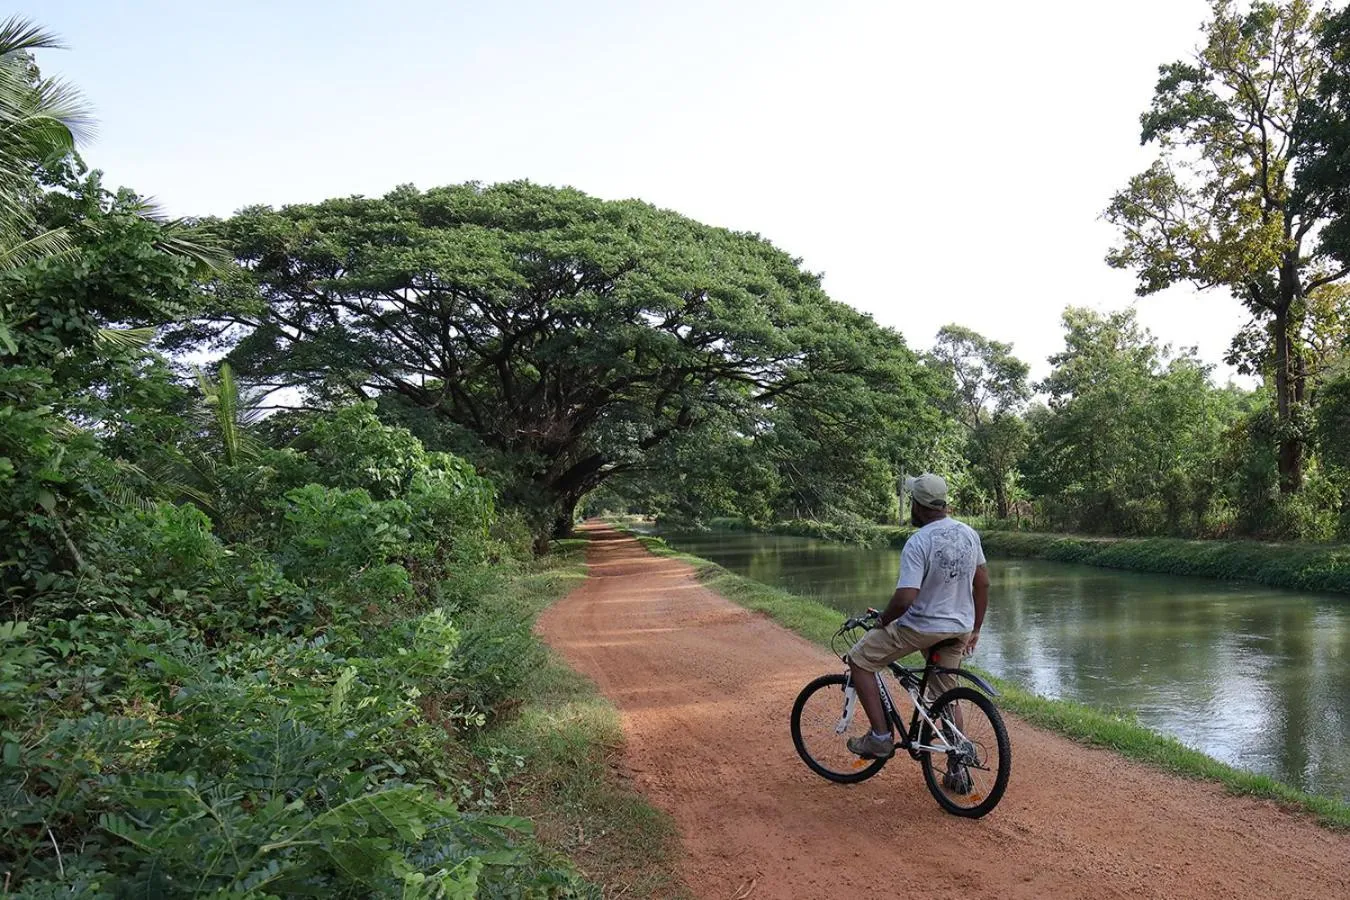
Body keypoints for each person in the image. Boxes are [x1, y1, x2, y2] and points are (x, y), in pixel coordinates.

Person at [845, 473, 989, 769]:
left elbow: (905, 598)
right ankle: (958, 762)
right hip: (959, 627)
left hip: (921, 627)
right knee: (945, 694)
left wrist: (883, 620)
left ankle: (881, 737)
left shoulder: (919, 541)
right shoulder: (968, 534)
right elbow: (983, 584)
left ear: (919, 507)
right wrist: (975, 629)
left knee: (859, 661)